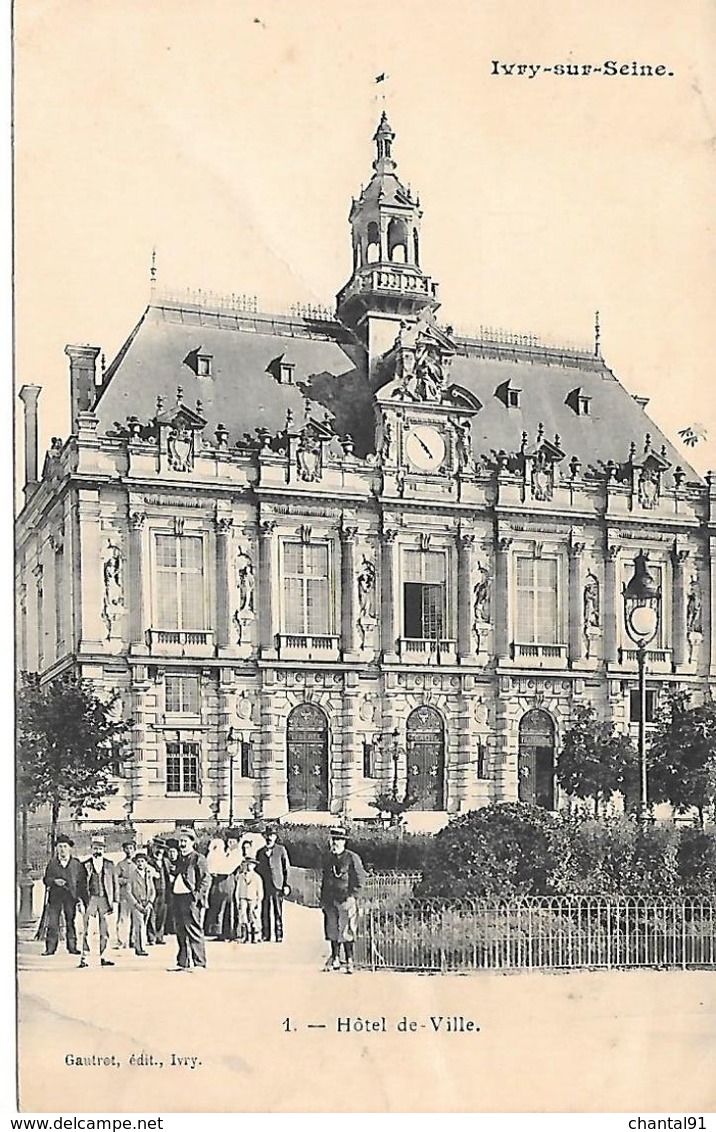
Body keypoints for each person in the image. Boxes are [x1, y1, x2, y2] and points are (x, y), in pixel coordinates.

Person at [320, 826, 366, 975]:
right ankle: (334, 958)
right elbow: (325, 880)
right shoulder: (327, 858)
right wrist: (323, 900)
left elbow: (360, 879)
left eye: (338, 840)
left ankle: (349, 960)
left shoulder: (352, 858)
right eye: (333, 840)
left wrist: (353, 896)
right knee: (332, 930)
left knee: (347, 931)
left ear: (344, 842)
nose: (335, 843)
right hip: (330, 900)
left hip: (346, 899)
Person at [169, 828, 211, 972]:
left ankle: (199, 963)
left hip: (191, 899)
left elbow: (206, 880)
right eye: (180, 841)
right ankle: (182, 962)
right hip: (177, 898)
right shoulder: (179, 859)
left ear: (192, 842)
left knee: (193, 929)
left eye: (185, 841)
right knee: (180, 930)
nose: (182, 844)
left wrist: (197, 896)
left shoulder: (198, 858)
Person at [78, 833, 118, 968]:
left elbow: (115, 883)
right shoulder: (85, 865)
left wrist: (115, 901)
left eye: (100, 848)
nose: (98, 851)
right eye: (95, 848)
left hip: (105, 899)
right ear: (91, 848)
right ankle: (85, 957)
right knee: (87, 928)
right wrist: (80, 901)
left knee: (105, 928)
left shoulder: (109, 865)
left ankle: (104, 955)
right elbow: (80, 884)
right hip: (90, 899)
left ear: (104, 849)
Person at [41, 835, 83, 956]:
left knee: (70, 921)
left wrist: (80, 898)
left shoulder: (76, 864)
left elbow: (81, 882)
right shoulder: (52, 863)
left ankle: (72, 947)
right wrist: (54, 881)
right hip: (55, 898)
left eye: (65, 846)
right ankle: (50, 948)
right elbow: (46, 880)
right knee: (53, 923)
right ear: (56, 849)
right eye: (60, 847)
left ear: (70, 848)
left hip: (71, 898)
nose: (62, 849)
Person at [256, 828, 291, 943]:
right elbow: (257, 869)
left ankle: (279, 935)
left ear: (276, 837)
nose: (269, 838)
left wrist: (286, 884)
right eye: (267, 835)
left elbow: (286, 868)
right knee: (264, 910)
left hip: (278, 885)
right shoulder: (260, 852)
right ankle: (266, 934)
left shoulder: (281, 850)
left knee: (278, 911)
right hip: (264, 885)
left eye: (272, 835)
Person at [127, 851, 156, 958]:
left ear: (146, 863)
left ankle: (140, 944)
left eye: (142, 861)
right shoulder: (132, 875)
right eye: (138, 861)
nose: (140, 863)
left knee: (144, 924)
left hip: (147, 903)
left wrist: (150, 903)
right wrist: (136, 904)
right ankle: (140, 948)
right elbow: (128, 891)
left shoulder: (148, 874)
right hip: (137, 904)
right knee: (139, 925)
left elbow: (153, 890)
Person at [113, 840, 137, 949]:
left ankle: (135, 940)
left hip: (137, 896)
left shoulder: (139, 863)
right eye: (127, 848)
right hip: (125, 895)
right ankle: (122, 941)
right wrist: (126, 880)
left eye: (131, 848)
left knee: (137, 918)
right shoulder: (120, 865)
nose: (129, 851)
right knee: (123, 918)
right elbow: (116, 879)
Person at [236, 856, 263, 944]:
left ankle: (256, 936)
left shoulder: (257, 877)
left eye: (251, 865)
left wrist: (258, 901)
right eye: (247, 864)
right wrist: (238, 900)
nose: (248, 866)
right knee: (244, 918)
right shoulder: (240, 876)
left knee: (254, 917)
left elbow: (260, 891)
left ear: (254, 866)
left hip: (253, 899)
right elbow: (238, 889)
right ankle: (246, 936)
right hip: (243, 898)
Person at [147, 840, 168, 945]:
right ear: (153, 848)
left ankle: (160, 936)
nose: (159, 851)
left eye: (161, 848)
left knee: (162, 914)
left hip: (164, 891)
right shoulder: (149, 861)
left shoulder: (165, 861)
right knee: (152, 914)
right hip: (153, 891)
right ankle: (152, 937)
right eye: (157, 848)